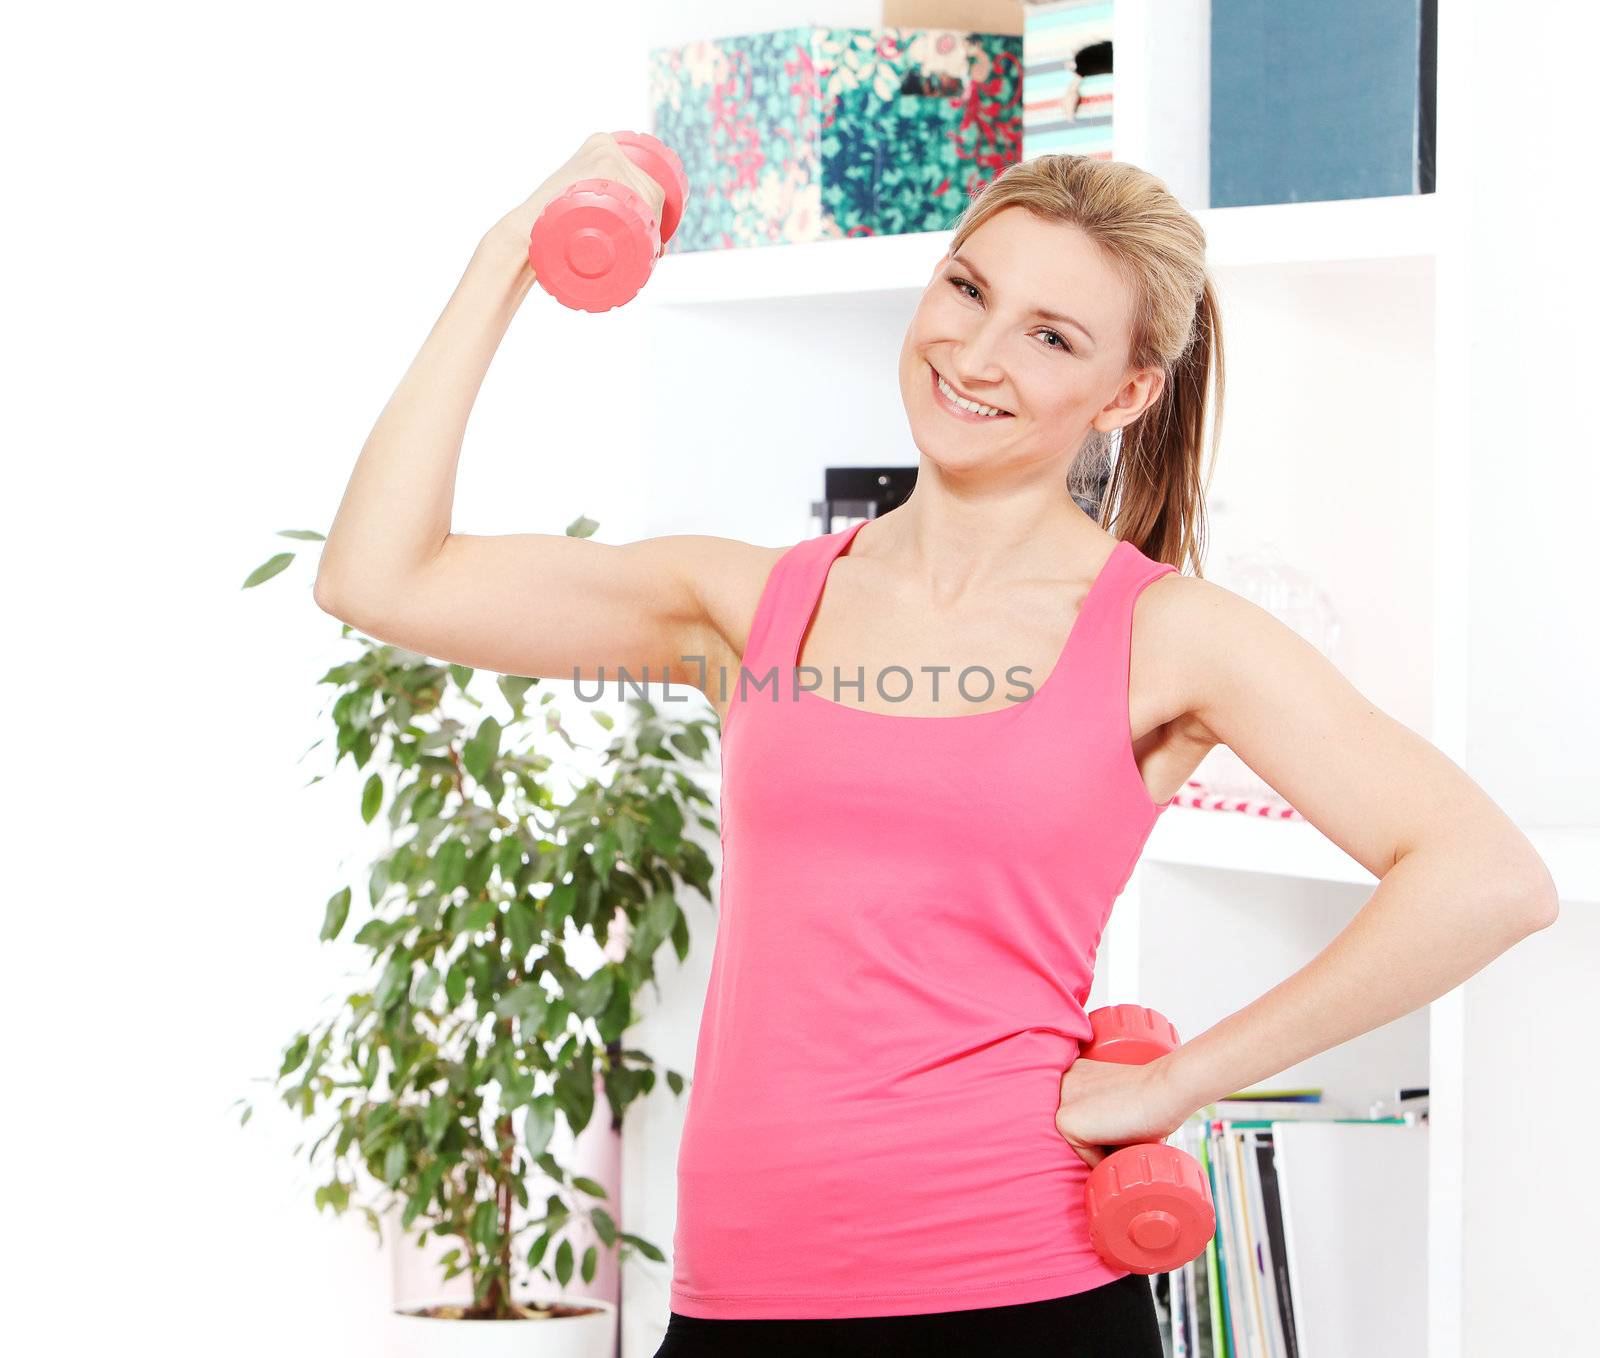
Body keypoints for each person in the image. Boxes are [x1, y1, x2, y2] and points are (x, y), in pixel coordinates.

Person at [313, 137, 1560, 1356]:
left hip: (1021, 1287)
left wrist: (1179, 1080)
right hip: (740, 1289)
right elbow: (380, 575)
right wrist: (504, 259)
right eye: (967, 288)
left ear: (1124, 393)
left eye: (1050, 335)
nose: (973, 351)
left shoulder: (1166, 636)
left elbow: (1482, 873)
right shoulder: (746, 604)